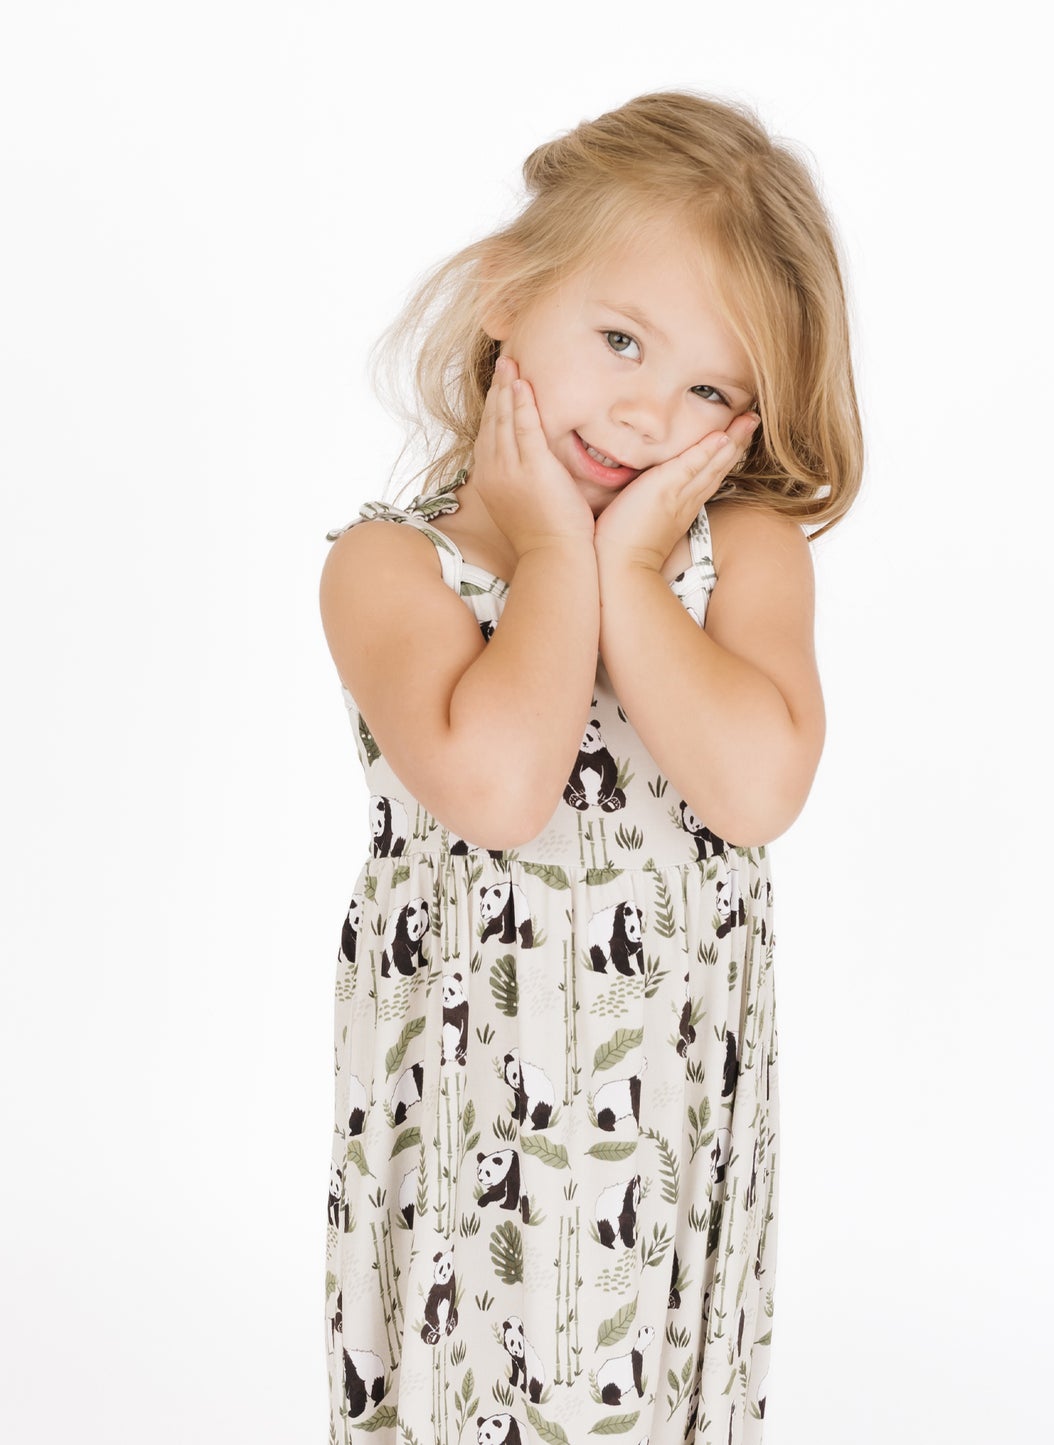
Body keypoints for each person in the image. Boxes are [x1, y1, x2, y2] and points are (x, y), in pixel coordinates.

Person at [318, 90, 861, 1444]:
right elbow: (501, 788)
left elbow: (757, 788)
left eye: (708, 391)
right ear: (507, 292)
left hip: (660, 1123)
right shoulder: (394, 569)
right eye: (620, 340)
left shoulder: (738, 560)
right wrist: (562, 555)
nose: (645, 413)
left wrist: (630, 571)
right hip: (469, 1133)